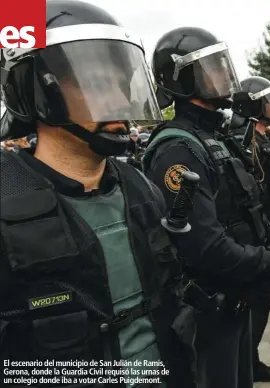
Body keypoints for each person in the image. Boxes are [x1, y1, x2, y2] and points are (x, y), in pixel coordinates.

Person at [0, 2, 197, 388]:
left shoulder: (139, 185)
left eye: (122, 82)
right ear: (36, 87)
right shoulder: (8, 196)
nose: (119, 97)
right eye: (95, 80)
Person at [143, 26, 270, 387]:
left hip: (238, 295)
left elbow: (251, 204)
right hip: (211, 307)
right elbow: (204, 246)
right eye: (210, 68)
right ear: (183, 80)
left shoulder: (216, 137)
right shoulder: (178, 148)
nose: (223, 75)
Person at [232, 76, 270, 230]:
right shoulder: (244, 140)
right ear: (255, 106)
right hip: (263, 226)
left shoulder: (258, 138)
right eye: (269, 100)